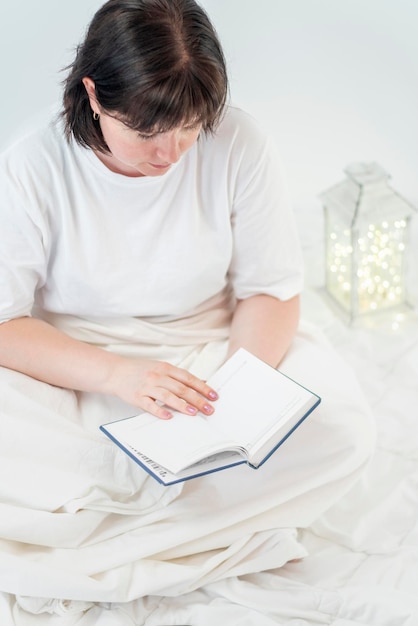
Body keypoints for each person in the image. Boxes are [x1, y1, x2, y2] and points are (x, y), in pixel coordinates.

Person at [0, 0, 374, 618]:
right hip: (75, 359)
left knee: (344, 431)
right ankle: (212, 526)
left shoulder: (241, 142)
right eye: (146, 132)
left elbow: (271, 290)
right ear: (93, 95)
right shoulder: (32, 163)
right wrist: (120, 377)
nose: (170, 153)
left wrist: (236, 394)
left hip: (211, 345)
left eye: (190, 127)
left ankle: (121, 529)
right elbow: (5, 324)